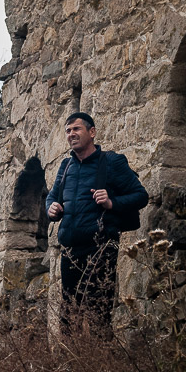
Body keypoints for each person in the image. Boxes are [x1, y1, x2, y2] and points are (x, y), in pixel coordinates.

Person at [46, 112, 148, 311]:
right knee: (69, 316)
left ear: (92, 132)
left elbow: (141, 196)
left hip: (101, 250)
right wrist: (51, 209)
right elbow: (52, 197)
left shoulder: (112, 161)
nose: (71, 134)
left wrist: (111, 203)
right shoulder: (66, 166)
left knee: (99, 314)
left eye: (76, 129)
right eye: (68, 131)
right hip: (70, 252)